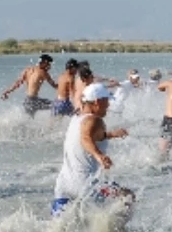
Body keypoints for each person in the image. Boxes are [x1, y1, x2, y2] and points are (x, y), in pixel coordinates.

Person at [52, 83, 133, 217]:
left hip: (63, 185)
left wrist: (111, 134)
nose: (108, 105)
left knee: (59, 227)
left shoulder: (76, 117)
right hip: (86, 184)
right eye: (106, 101)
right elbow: (85, 138)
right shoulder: (94, 120)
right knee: (127, 197)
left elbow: (89, 135)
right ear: (97, 102)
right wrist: (99, 155)